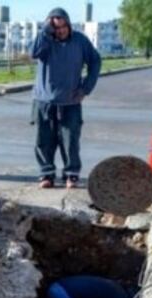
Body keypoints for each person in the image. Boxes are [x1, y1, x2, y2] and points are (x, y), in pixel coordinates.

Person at [31, 8, 101, 189]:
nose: (60, 31)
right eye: (55, 27)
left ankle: (71, 175)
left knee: (70, 141)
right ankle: (46, 174)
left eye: (63, 26)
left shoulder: (80, 41)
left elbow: (95, 61)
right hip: (44, 100)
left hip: (71, 101)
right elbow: (34, 52)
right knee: (44, 140)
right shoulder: (45, 41)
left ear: (68, 25)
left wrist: (86, 88)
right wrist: (45, 31)